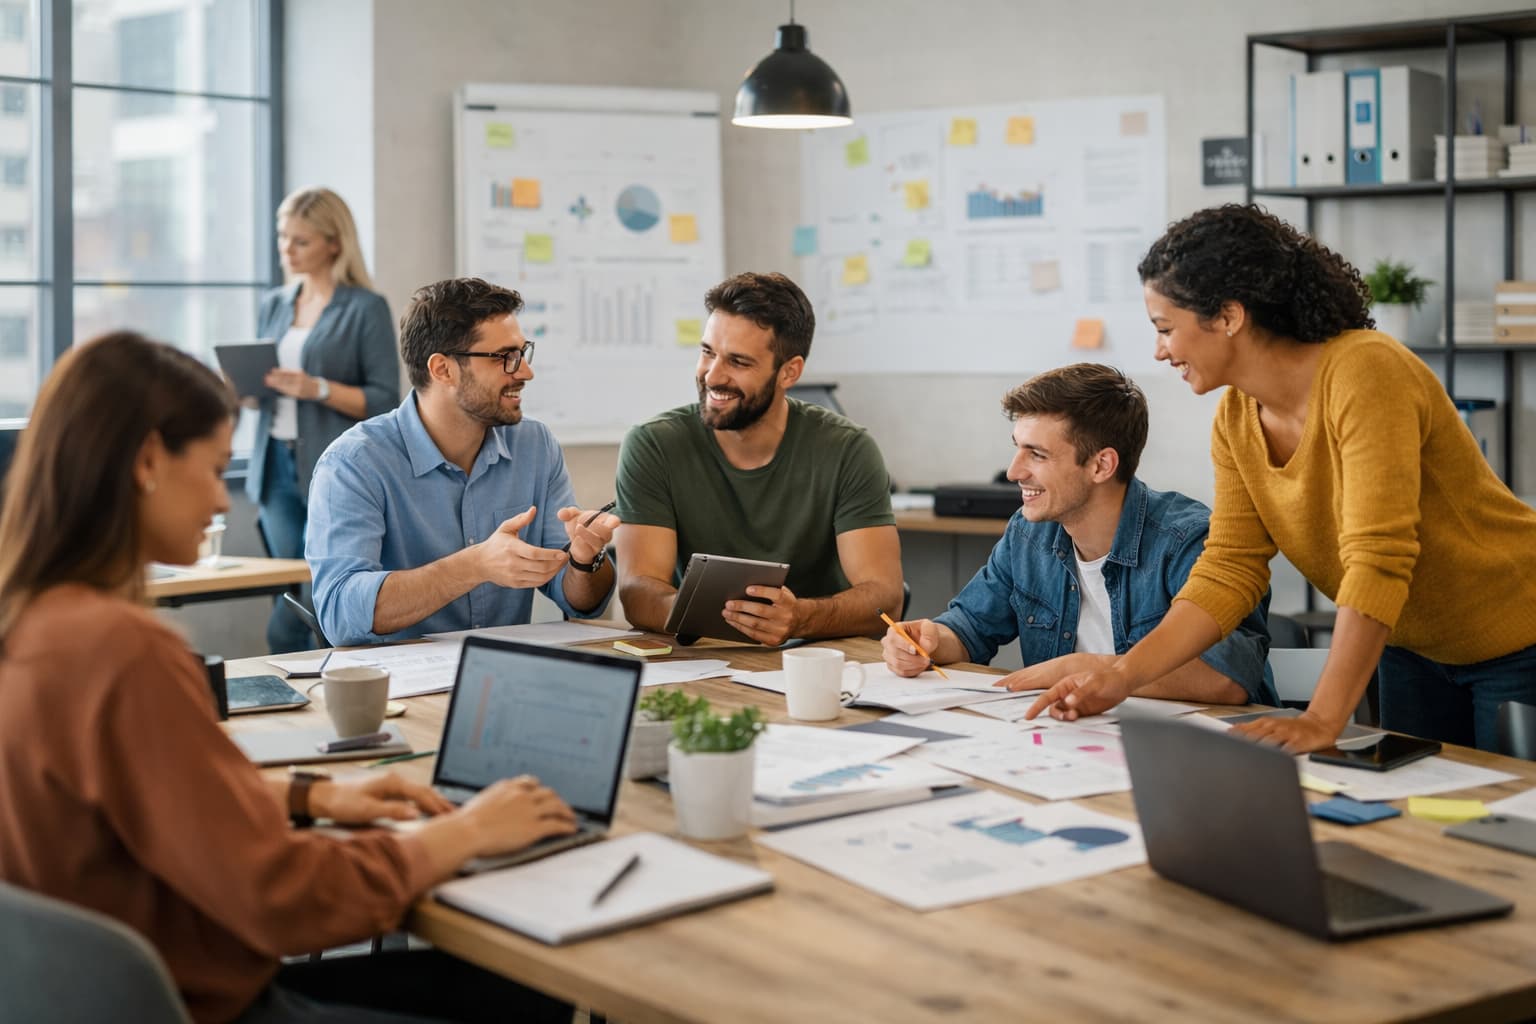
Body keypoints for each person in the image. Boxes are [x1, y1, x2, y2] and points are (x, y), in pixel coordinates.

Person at [0, 331, 578, 1024]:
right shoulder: (125, 655)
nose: (223, 504)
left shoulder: (31, 624)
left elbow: (161, 796)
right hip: (213, 1004)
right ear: (149, 460)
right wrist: (467, 833)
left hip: (90, 999)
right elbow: (282, 898)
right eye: (216, 469)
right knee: (531, 988)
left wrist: (314, 795)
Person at [1024, 203, 1536, 753]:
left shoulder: (1365, 371)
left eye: (1166, 329)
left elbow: (1379, 558)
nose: (1160, 350)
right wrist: (1122, 676)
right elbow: (1229, 568)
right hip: (1411, 645)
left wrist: (1321, 719)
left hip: (1517, 634)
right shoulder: (1236, 419)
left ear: (1228, 316)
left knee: (1509, 806)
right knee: (1427, 802)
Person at [881, 363, 1273, 706]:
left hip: (1189, 747)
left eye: (1037, 454)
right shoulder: (1028, 533)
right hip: (1071, 741)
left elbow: (1227, 679)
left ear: (1101, 465)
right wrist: (929, 640)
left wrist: (1084, 669)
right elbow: (969, 628)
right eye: (1018, 448)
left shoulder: (1188, 540)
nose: (1014, 472)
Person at [308, 277, 619, 646]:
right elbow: (340, 614)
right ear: (443, 370)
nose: (525, 372)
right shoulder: (353, 463)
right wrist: (474, 565)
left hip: (500, 671)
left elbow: (580, 601)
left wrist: (585, 559)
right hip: (397, 678)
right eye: (505, 358)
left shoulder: (535, 446)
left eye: (523, 353)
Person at [615, 271, 902, 646]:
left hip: (816, 656)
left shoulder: (848, 449)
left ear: (789, 372)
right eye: (707, 352)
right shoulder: (653, 445)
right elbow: (637, 592)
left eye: (738, 362)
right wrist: (716, 615)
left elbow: (885, 598)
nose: (712, 376)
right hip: (701, 654)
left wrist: (799, 618)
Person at [248, 187, 400, 653]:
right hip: (275, 464)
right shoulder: (275, 303)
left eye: (301, 241)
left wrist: (317, 388)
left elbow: (385, 399)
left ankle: (329, 679)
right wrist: (250, 390)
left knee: (314, 594)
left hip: (331, 466)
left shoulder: (365, 308)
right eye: (283, 238)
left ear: (334, 243)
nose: (287, 250)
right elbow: (268, 383)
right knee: (290, 587)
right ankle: (297, 679)